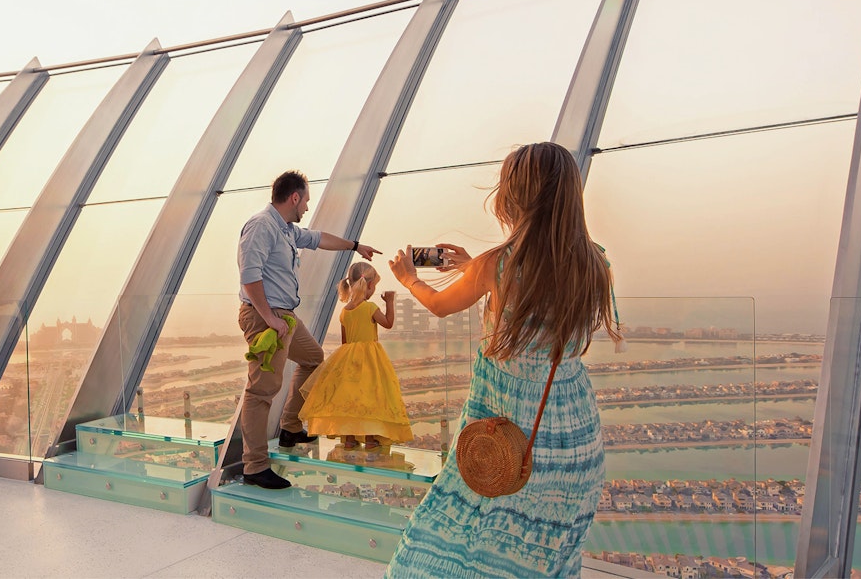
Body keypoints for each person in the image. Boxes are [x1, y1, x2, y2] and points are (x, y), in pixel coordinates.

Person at [384, 142, 625, 578]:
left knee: (455, 537)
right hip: (574, 435)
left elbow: (439, 305)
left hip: (505, 430)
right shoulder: (595, 262)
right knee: (545, 555)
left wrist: (409, 279)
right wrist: (472, 265)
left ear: (516, 194)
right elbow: (539, 285)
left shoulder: (497, 265)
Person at [237, 170, 380, 489]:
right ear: (294, 198)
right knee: (261, 391)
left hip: (284, 317)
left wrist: (356, 246)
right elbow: (249, 276)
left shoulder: (286, 229)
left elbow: (318, 238)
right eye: (305, 201)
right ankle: (254, 466)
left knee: (313, 357)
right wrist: (269, 318)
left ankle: (289, 427)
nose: (306, 207)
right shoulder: (261, 226)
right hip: (266, 318)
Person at [298, 261, 414, 450]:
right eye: (374, 286)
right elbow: (388, 323)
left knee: (349, 398)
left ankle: (350, 439)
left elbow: (345, 341)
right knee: (369, 397)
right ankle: (370, 439)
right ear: (370, 285)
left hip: (347, 359)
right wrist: (389, 302)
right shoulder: (370, 307)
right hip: (370, 360)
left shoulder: (345, 311)